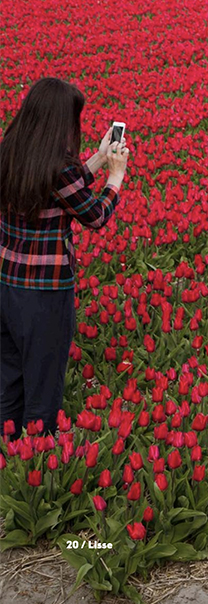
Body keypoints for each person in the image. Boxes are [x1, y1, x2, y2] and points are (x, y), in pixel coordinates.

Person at [0, 77, 129, 435]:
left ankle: (7, 450)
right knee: (43, 382)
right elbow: (95, 216)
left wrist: (99, 157)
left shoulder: (9, 152)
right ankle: (36, 455)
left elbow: (59, 188)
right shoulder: (58, 169)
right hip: (44, 293)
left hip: (6, 285)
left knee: (8, 380)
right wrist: (115, 177)